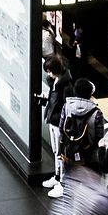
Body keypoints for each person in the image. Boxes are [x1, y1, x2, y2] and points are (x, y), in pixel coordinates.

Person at [40, 56, 73, 198]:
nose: (48, 74)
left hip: (59, 123)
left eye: (49, 71)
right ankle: (57, 177)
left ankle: (62, 183)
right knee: (56, 151)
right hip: (54, 120)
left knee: (60, 153)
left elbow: (67, 107)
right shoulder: (56, 81)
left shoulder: (65, 86)